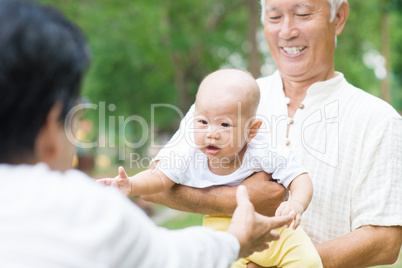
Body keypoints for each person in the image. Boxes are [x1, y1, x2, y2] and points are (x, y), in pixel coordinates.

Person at [0, 0, 294, 267]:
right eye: (77, 108)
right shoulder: (84, 211)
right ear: (53, 125)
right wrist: (237, 239)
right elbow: (170, 256)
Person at [143, 0, 402, 267]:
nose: (287, 31)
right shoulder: (226, 96)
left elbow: (385, 241)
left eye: (302, 14)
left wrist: (289, 263)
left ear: (338, 18)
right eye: (275, 16)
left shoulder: (379, 120)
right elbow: (153, 188)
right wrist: (232, 199)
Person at [98, 69, 322, 267]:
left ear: (251, 130)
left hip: (275, 228)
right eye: (203, 122)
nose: (211, 133)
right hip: (223, 227)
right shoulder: (189, 153)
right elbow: (160, 178)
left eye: (224, 124)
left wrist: (296, 203)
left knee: (308, 261)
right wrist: (131, 184)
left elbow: (299, 178)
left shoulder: (262, 149)